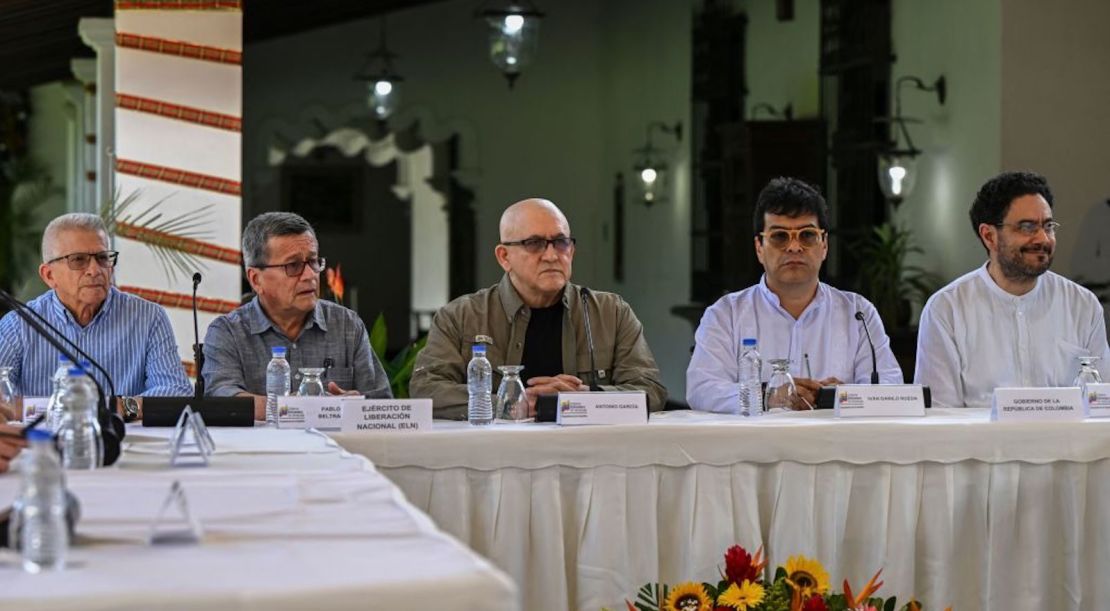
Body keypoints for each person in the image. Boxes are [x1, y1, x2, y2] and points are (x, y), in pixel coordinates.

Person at [410, 198, 666, 419]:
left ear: (572, 251)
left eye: (561, 242)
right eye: (534, 243)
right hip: (496, 457)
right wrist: (510, 403)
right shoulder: (461, 317)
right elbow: (427, 389)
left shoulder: (611, 313)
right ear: (504, 257)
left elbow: (650, 390)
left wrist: (583, 399)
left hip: (589, 457)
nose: (552, 255)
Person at [686, 177, 902, 412]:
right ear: (759, 247)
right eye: (780, 236)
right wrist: (768, 396)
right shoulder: (726, 314)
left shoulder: (858, 313)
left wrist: (843, 397)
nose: (794, 247)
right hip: (754, 447)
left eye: (807, 235)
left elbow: (889, 387)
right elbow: (702, 389)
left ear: (825, 245)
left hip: (836, 445)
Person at [915, 171, 1110, 406]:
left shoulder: (1082, 305)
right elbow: (940, 416)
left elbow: (1101, 406)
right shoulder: (947, 310)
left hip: (1067, 443)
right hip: (982, 444)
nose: (1043, 239)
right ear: (989, 236)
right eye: (1027, 227)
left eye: (1048, 226)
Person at [203, 212, 391, 419]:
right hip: (261, 449)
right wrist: (292, 407)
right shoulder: (227, 332)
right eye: (293, 266)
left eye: (313, 262)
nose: (310, 275)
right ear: (256, 280)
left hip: (332, 448)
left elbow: (381, 401)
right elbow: (221, 398)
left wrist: (354, 404)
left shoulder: (347, 325)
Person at [0, 213, 191, 399]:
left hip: (122, 430)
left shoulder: (148, 317)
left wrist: (120, 408)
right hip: (44, 431)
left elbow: (176, 390)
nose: (94, 270)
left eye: (102, 258)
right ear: (49, 275)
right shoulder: (18, 326)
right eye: (78, 260)